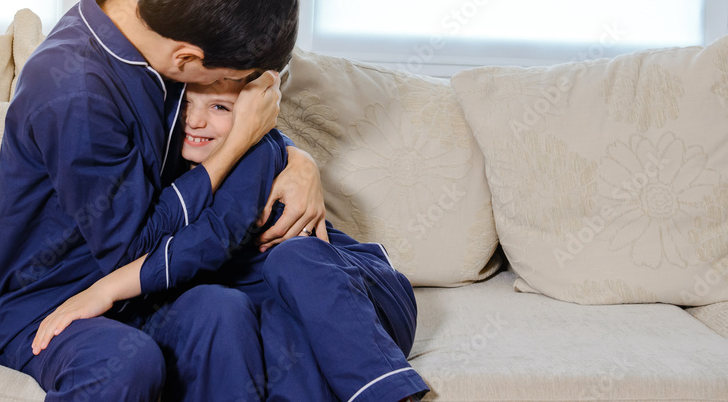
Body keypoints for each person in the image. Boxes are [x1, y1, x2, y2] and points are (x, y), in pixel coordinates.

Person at [0, 0, 327, 401]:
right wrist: (241, 142)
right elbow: (132, 249)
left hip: (154, 292)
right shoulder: (74, 92)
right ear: (186, 61)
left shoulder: (166, 22)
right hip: (55, 304)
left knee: (226, 310)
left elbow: (230, 116)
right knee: (128, 363)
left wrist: (297, 158)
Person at [31, 78, 430, 402]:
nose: (195, 120)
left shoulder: (254, 153)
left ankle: (395, 395)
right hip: (278, 308)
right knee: (262, 330)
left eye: (219, 107)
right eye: (187, 102)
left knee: (291, 259)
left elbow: (210, 238)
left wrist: (105, 289)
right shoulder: (157, 160)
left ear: (252, 119)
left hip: (359, 293)